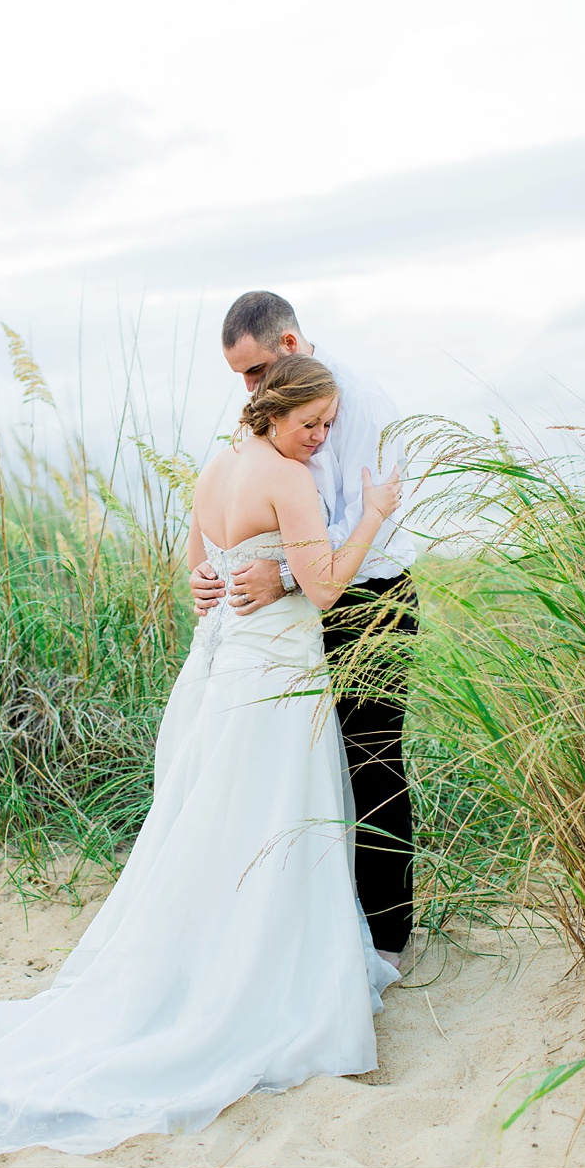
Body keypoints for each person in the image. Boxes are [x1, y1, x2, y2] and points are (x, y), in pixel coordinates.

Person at [0, 355, 402, 1160]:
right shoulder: (290, 479)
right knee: (273, 830)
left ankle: (220, 966)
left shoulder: (218, 468)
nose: (321, 437)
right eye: (313, 423)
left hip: (227, 672)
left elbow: (197, 573)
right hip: (274, 681)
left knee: (220, 831)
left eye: (329, 425)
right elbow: (329, 583)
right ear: (274, 414)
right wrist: (373, 513)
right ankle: (263, 986)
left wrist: (218, 579)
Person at [190, 291, 418, 970]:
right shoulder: (269, 421)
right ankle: (302, 927)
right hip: (289, 614)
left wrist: (282, 578)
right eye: (242, 379)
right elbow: (222, 513)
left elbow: (363, 523)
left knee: (369, 762)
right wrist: (207, 572)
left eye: (255, 372)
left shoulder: (359, 403)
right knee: (296, 771)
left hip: (368, 600)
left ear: (289, 345)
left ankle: (384, 938)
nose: (250, 390)